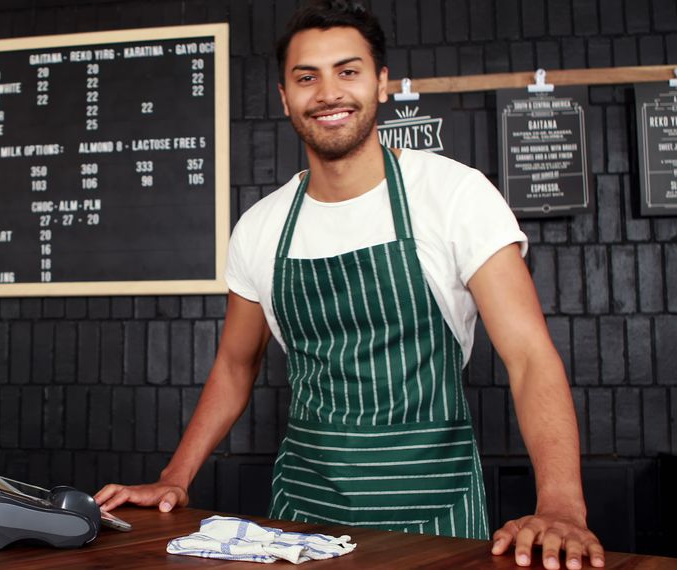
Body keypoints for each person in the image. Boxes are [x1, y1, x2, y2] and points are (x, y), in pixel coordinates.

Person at [94, 1, 604, 569]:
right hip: (299, 522)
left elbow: (530, 356)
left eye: (349, 71)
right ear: (284, 96)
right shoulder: (261, 226)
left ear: (381, 83)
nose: (329, 92)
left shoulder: (455, 196)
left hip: (435, 519)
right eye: (306, 77)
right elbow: (235, 366)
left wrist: (561, 504)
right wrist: (174, 478)